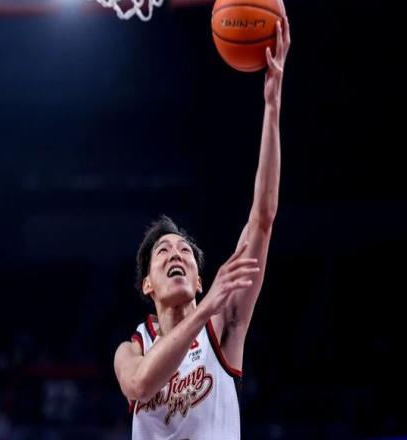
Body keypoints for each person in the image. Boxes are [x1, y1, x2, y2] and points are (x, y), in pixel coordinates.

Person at [114, 4, 291, 438]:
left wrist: (272, 105)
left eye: (184, 251)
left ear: (198, 280)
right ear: (147, 284)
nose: (176, 253)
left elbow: (262, 217)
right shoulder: (132, 349)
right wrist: (206, 306)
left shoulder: (224, 324)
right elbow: (139, 385)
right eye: (163, 251)